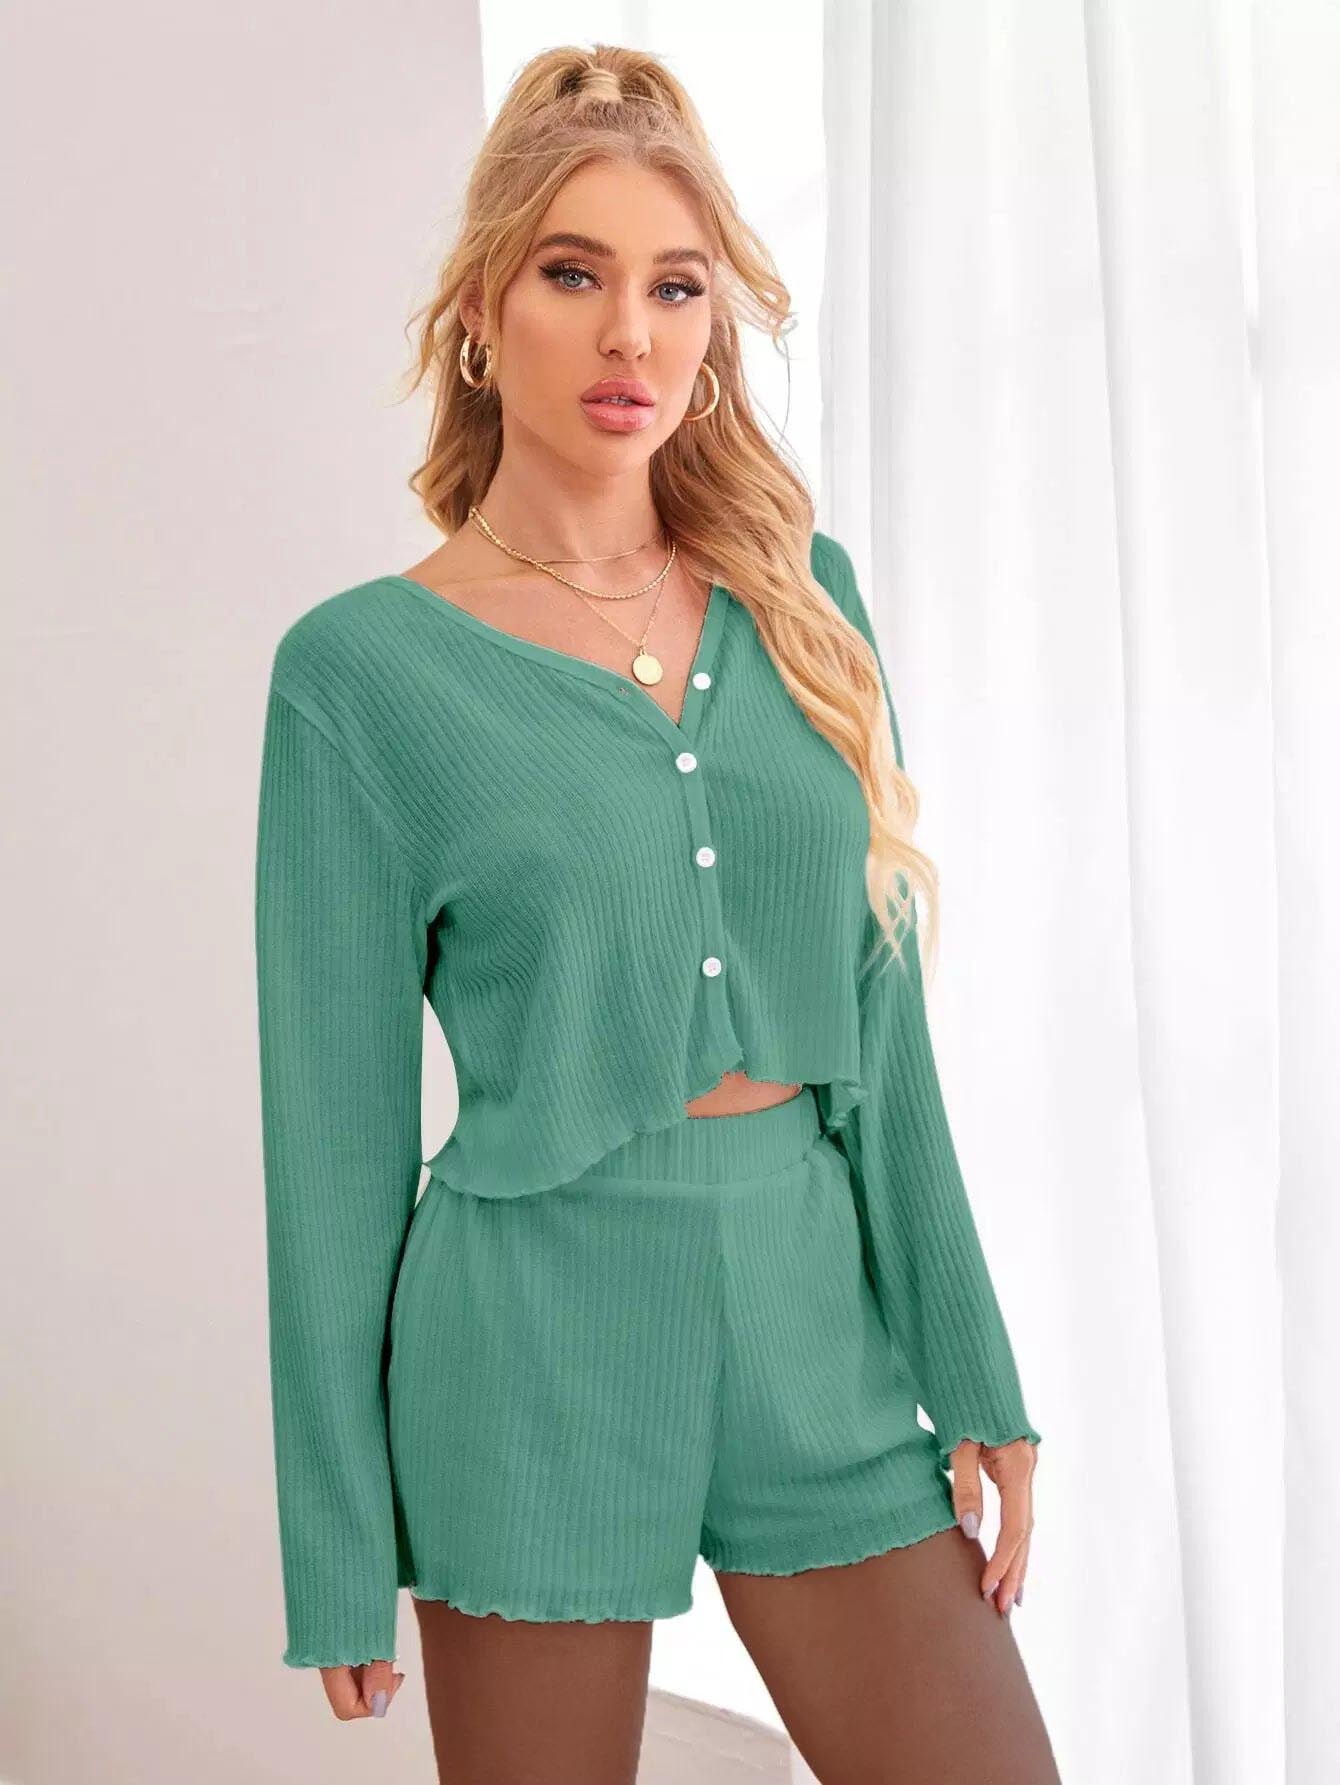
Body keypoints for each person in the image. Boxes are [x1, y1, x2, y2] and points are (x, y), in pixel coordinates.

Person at [253, 42, 1059, 1785]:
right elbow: (330, 1143)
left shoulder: (805, 603)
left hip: (815, 1319)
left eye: (676, 286)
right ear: (484, 310)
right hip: (526, 1345)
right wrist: (335, 1542)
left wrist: (972, 1365)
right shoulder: (361, 676)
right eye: (574, 274)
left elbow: (886, 1036)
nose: (632, 334)